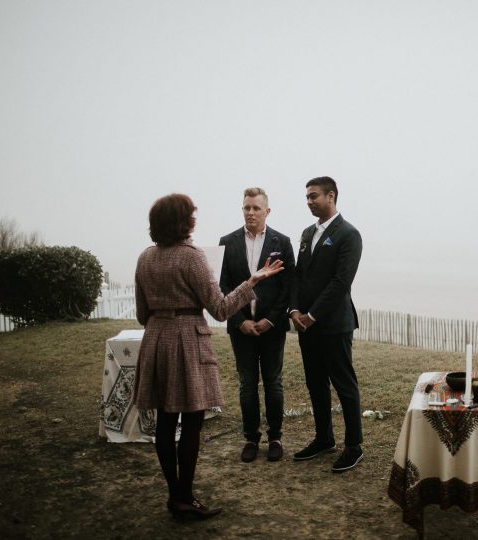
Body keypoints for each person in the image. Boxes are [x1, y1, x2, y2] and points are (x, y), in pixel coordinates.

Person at [133, 193, 284, 520]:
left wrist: (162, 321)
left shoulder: (145, 258)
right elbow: (219, 309)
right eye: (191, 215)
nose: (195, 220)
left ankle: (175, 496)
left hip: (155, 340)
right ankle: (185, 499)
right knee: (191, 422)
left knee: (165, 422)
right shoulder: (191, 257)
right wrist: (253, 280)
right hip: (187, 342)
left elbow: (141, 314)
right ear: (181, 222)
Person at [289, 176, 364, 472]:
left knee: (344, 384)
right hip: (306, 325)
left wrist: (313, 314)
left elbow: (341, 281)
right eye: (307, 197)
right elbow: (298, 274)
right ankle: (324, 438)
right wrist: (295, 310)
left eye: (314, 196)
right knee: (315, 383)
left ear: (331, 196)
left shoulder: (349, 234)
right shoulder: (307, 233)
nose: (309, 201)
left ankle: (354, 445)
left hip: (334, 324)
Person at [219, 187, 295, 463]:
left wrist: (271, 319)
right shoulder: (227, 242)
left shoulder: (282, 242)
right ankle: (251, 438)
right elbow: (223, 286)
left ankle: (275, 436)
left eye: (255, 208)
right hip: (241, 328)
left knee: (273, 382)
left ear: (267, 211)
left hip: (271, 327)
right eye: (246, 207)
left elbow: (288, 286)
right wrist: (239, 322)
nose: (250, 212)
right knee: (247, 383)